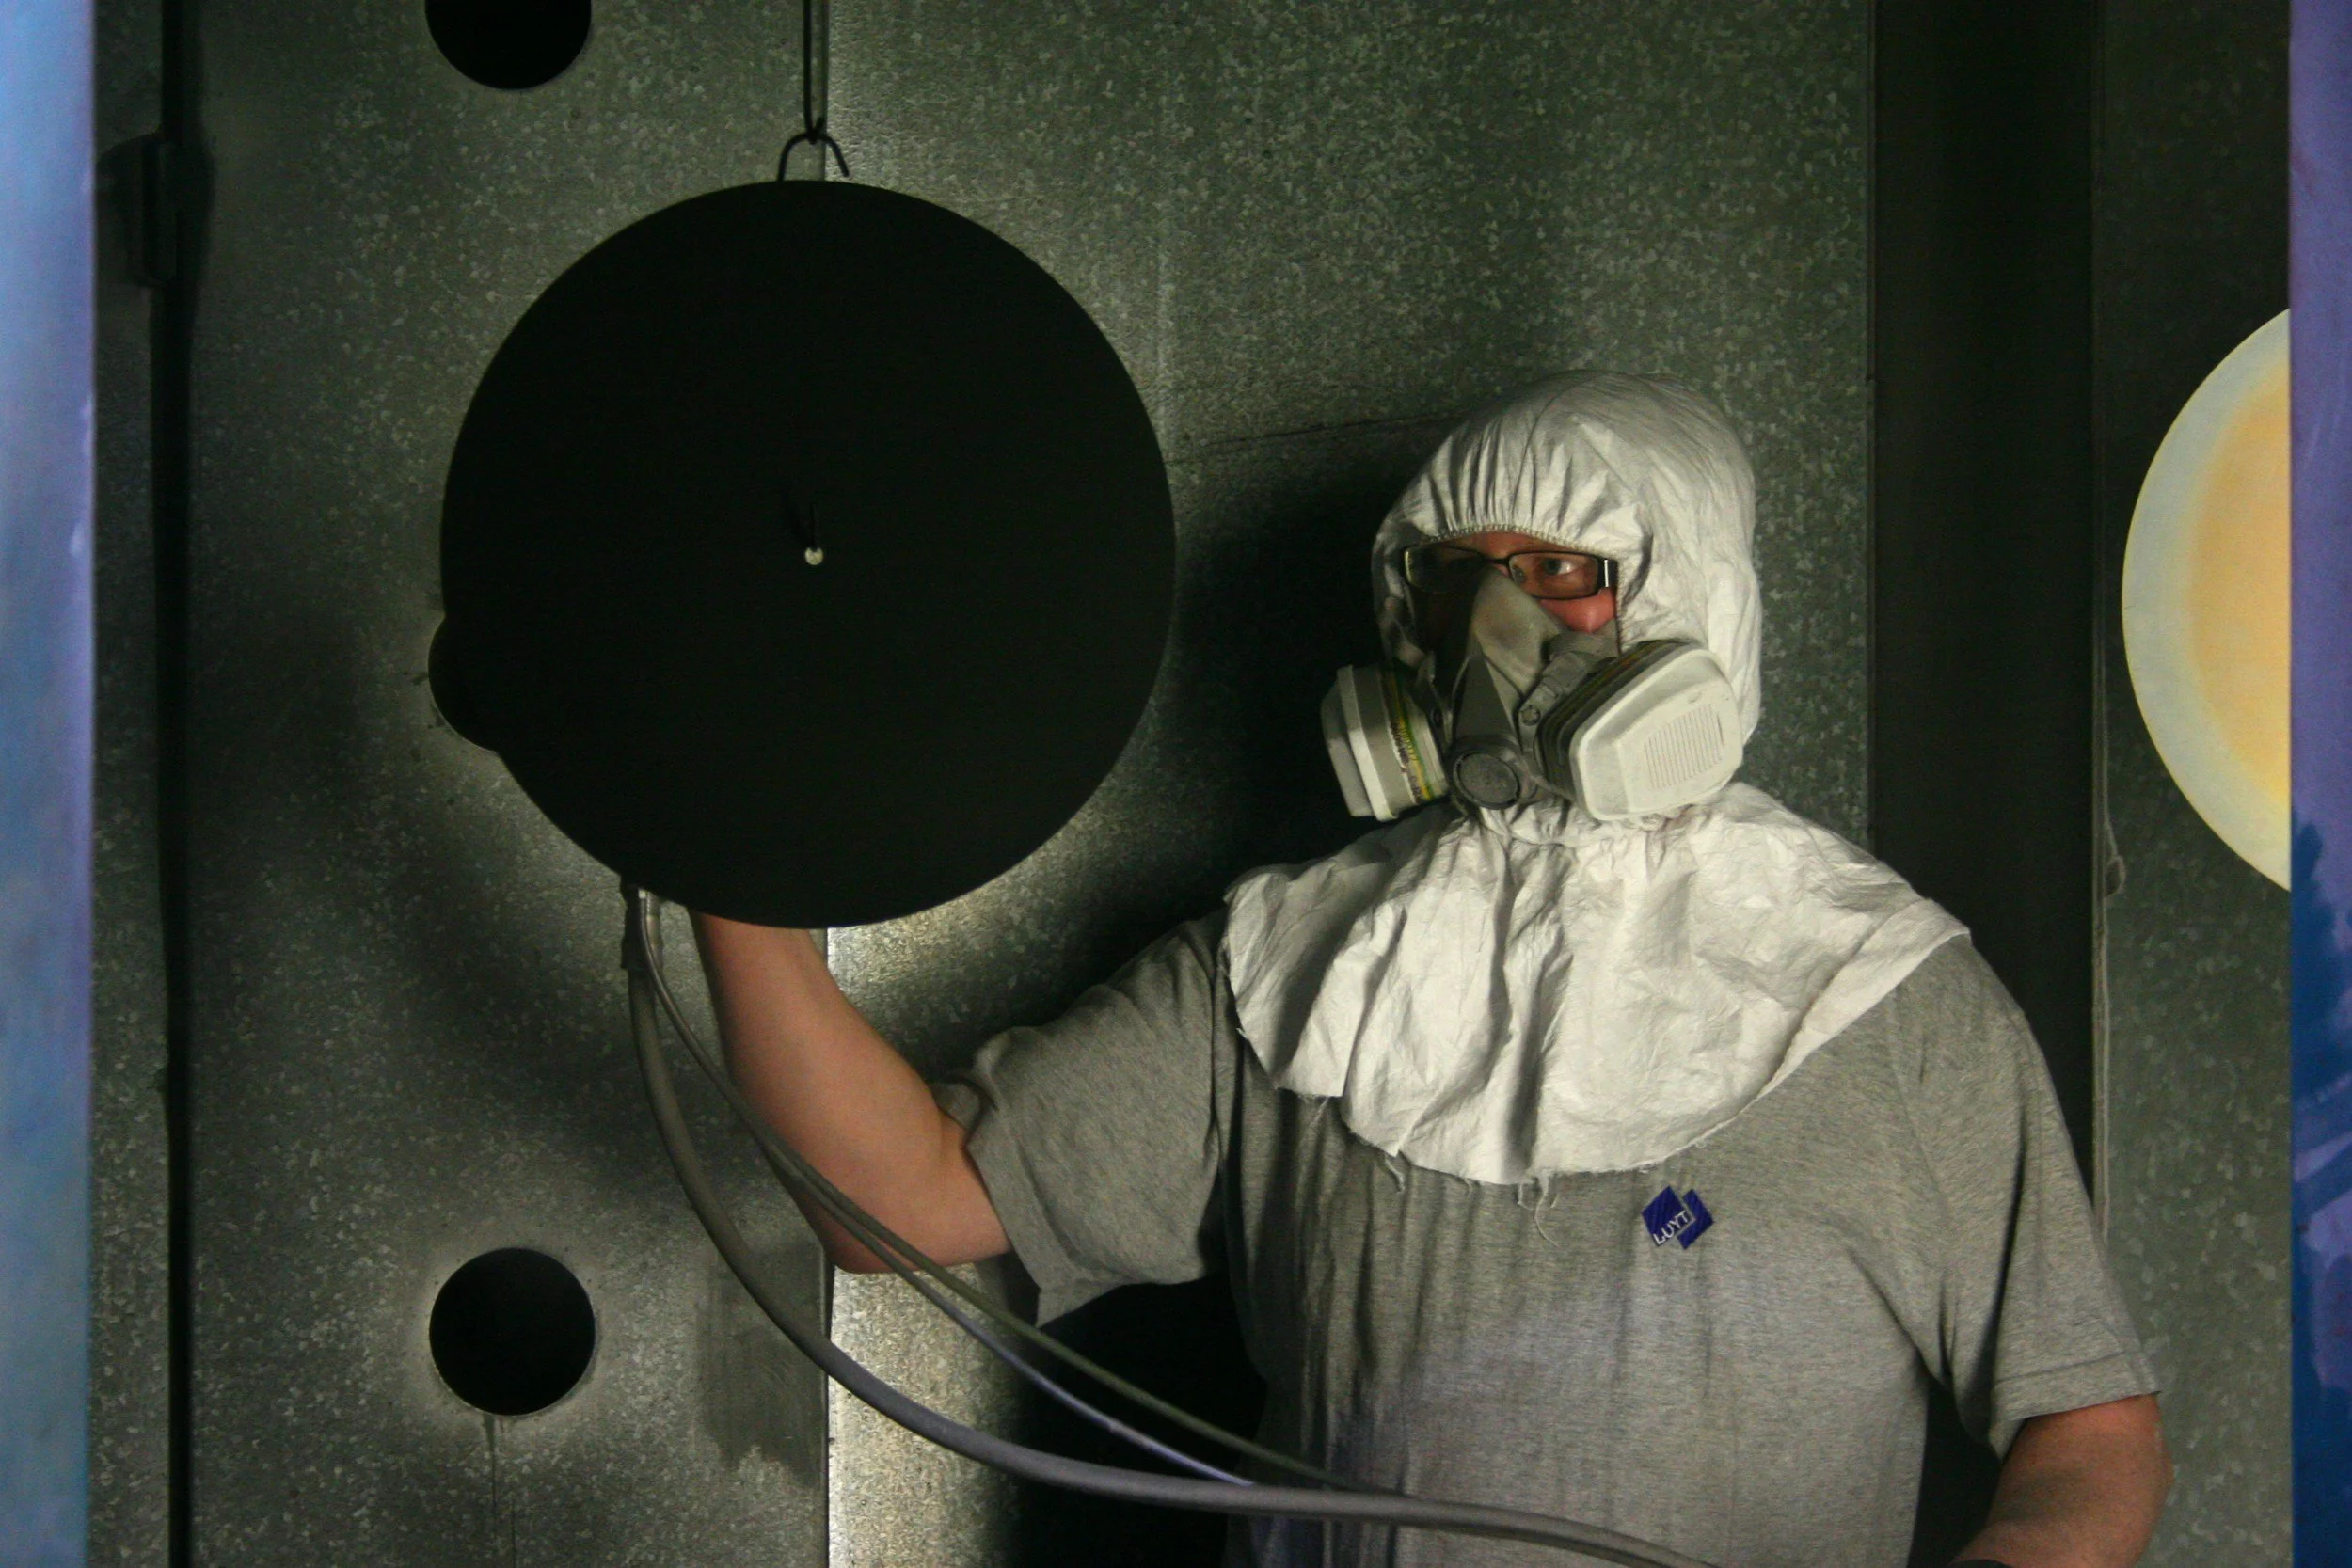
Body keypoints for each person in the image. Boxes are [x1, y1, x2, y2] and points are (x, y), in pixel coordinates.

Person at [691, 374, 2171, 1568]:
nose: (1492, 633)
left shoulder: (1883, 991)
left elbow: (2093, 1430)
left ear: (1690, 602)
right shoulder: (1292, 972)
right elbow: (900, 1201)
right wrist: (707, 850)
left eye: (1557, 574)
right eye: (1456, 581)